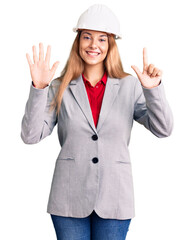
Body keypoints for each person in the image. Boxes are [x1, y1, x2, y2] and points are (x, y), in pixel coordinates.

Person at [21, 3, 174, 240]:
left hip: (115, 198)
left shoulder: (129, 86)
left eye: (102, 39)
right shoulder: (59, 86)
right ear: (78, 42)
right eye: (87, 37)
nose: (94, 45)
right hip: (68, 197)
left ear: (111, 45)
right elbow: (31, 136)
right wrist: (39, 89)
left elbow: (163, 129)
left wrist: (152, 90)